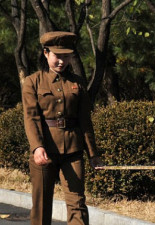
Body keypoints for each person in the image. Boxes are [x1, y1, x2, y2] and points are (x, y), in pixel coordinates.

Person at [22, 31, 103, 225]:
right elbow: (31, 118)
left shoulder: (77, 83)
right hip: (45, 150)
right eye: (58, 56)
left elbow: (85, 121)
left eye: (66, 56)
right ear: (46, 53)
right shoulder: (33, 82)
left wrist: (93, 153)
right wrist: (37, 147)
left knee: (77, 201)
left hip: (73, 150)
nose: (62, 61)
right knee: (42, 204)